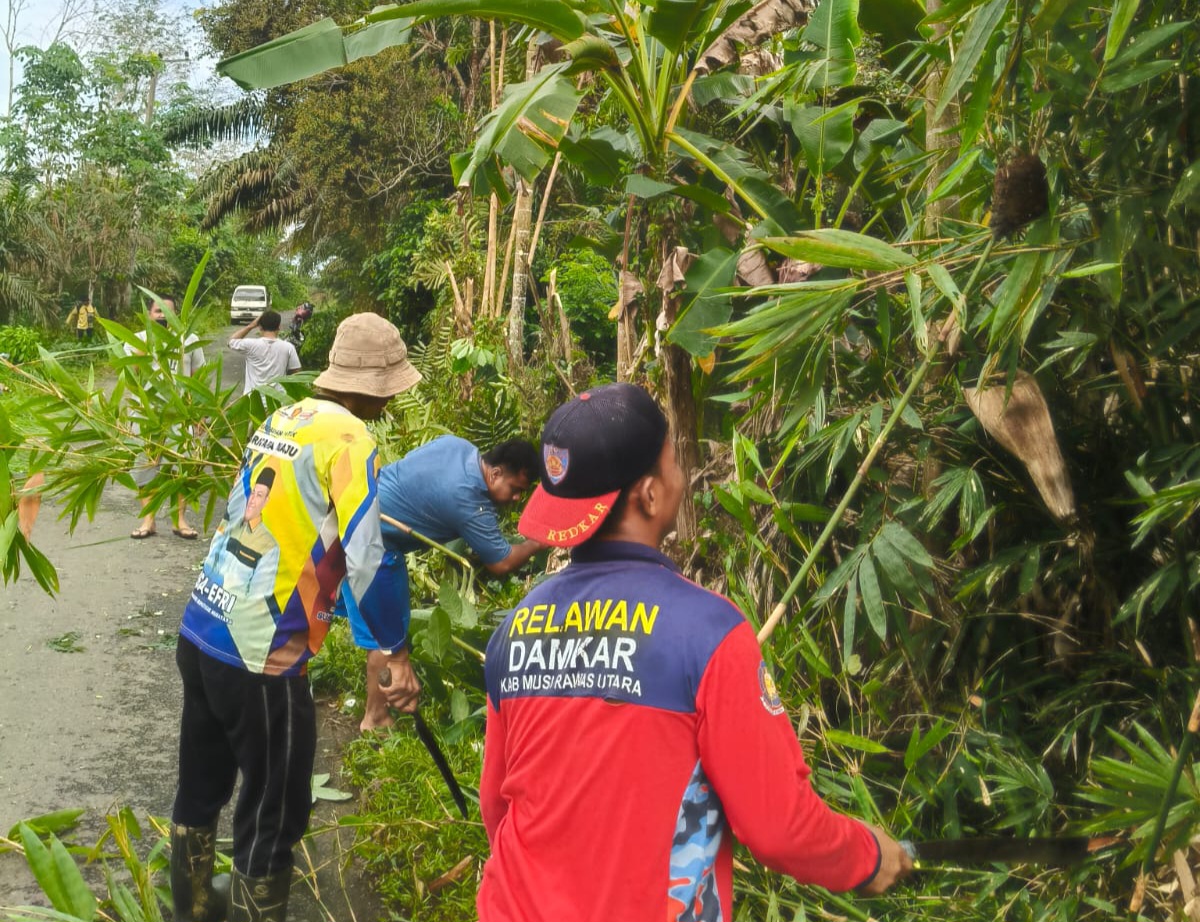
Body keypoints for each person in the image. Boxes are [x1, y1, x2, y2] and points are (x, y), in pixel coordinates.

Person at [478, 383, 913, 921]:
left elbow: (497, 807)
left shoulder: (514, 630)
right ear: (650, 495)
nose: (681, 477)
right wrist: (867, 855)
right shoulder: (709, 633)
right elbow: (779, 827)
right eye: (674, 464)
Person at [169, 312, 424, 922]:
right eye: (389, 389)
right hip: (262, 656)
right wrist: (394, 649)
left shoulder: (283, 418)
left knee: (200, 791)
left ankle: (193, 913)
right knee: (274, 812)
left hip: (203, 626)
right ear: (372, 387)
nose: (391, 402)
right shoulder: (351, 439)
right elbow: (368, 558)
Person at [348, 436, 546, 731]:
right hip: (377, 546)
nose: (517, 498)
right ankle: (375, 719)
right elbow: (502, 562)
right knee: (388, 636)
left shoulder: (456, 446)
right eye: (515, 488)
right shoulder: (469, 501)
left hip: (354, 512)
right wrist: (536, 543)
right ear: (494, 473)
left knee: (371, 628)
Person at [126, 295, 207, 540]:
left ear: (176, 315)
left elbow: (198, 379)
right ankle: (148, 520)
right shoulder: (136, 340)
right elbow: (130, 375)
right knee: (144, 469)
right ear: (148, 314)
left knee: (180, 470)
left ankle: (179, 520)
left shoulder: (189, 340)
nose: (162, 315)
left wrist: (200, 414)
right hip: (146, 416)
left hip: (179, 416)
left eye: (167, 311)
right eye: (157, 311)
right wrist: (148, 343)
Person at [229, 309, 301, 395]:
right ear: (279, 327)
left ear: (260, 327)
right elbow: (296, 372)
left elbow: (231, 342)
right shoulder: (288, 347)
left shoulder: (250, 345)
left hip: (253, 399)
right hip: (277, 398)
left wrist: (250, 326)